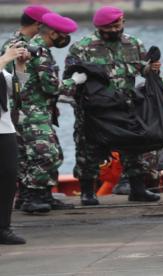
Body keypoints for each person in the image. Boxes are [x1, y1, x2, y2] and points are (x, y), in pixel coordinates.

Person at [62, 6, 161, 206]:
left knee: (133, 146)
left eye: (118, 25)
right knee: (88, 148)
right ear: (100, 28)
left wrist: (152, 68)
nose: (116, 30)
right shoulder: (83, 47)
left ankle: (138, 189)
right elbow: (70, 78)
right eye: (110, 28)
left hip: (125, 104)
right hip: (95, 108)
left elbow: (143, 70)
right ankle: (88, 192)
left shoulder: (133, 43)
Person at [18, 13, 79, 213]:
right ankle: (32, 198)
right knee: (43, 154)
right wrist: (74, 82)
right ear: (53, 33)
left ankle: (44, 195)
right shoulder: (39, 52)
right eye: (63, 35)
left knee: (54, 154)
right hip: (31, 111)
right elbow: (51, 87)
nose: (65, 39)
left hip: (38, 109)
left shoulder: (34, 47)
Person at [0, 5, 54, 210]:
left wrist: (21, 66)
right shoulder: (13, 45)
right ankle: (30, 196)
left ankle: (27, 199)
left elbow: (14, 83)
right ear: (38, 24)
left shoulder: (26, 45)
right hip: (22, 111)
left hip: (13, 115)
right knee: (42, 154)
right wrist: (7, 58)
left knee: (18, 160)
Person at [0, 45, 28, 244]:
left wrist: (19, 65)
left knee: (8, 177)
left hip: (4, 128)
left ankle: (4, 228)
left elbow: (16, 90)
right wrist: (5, 58)